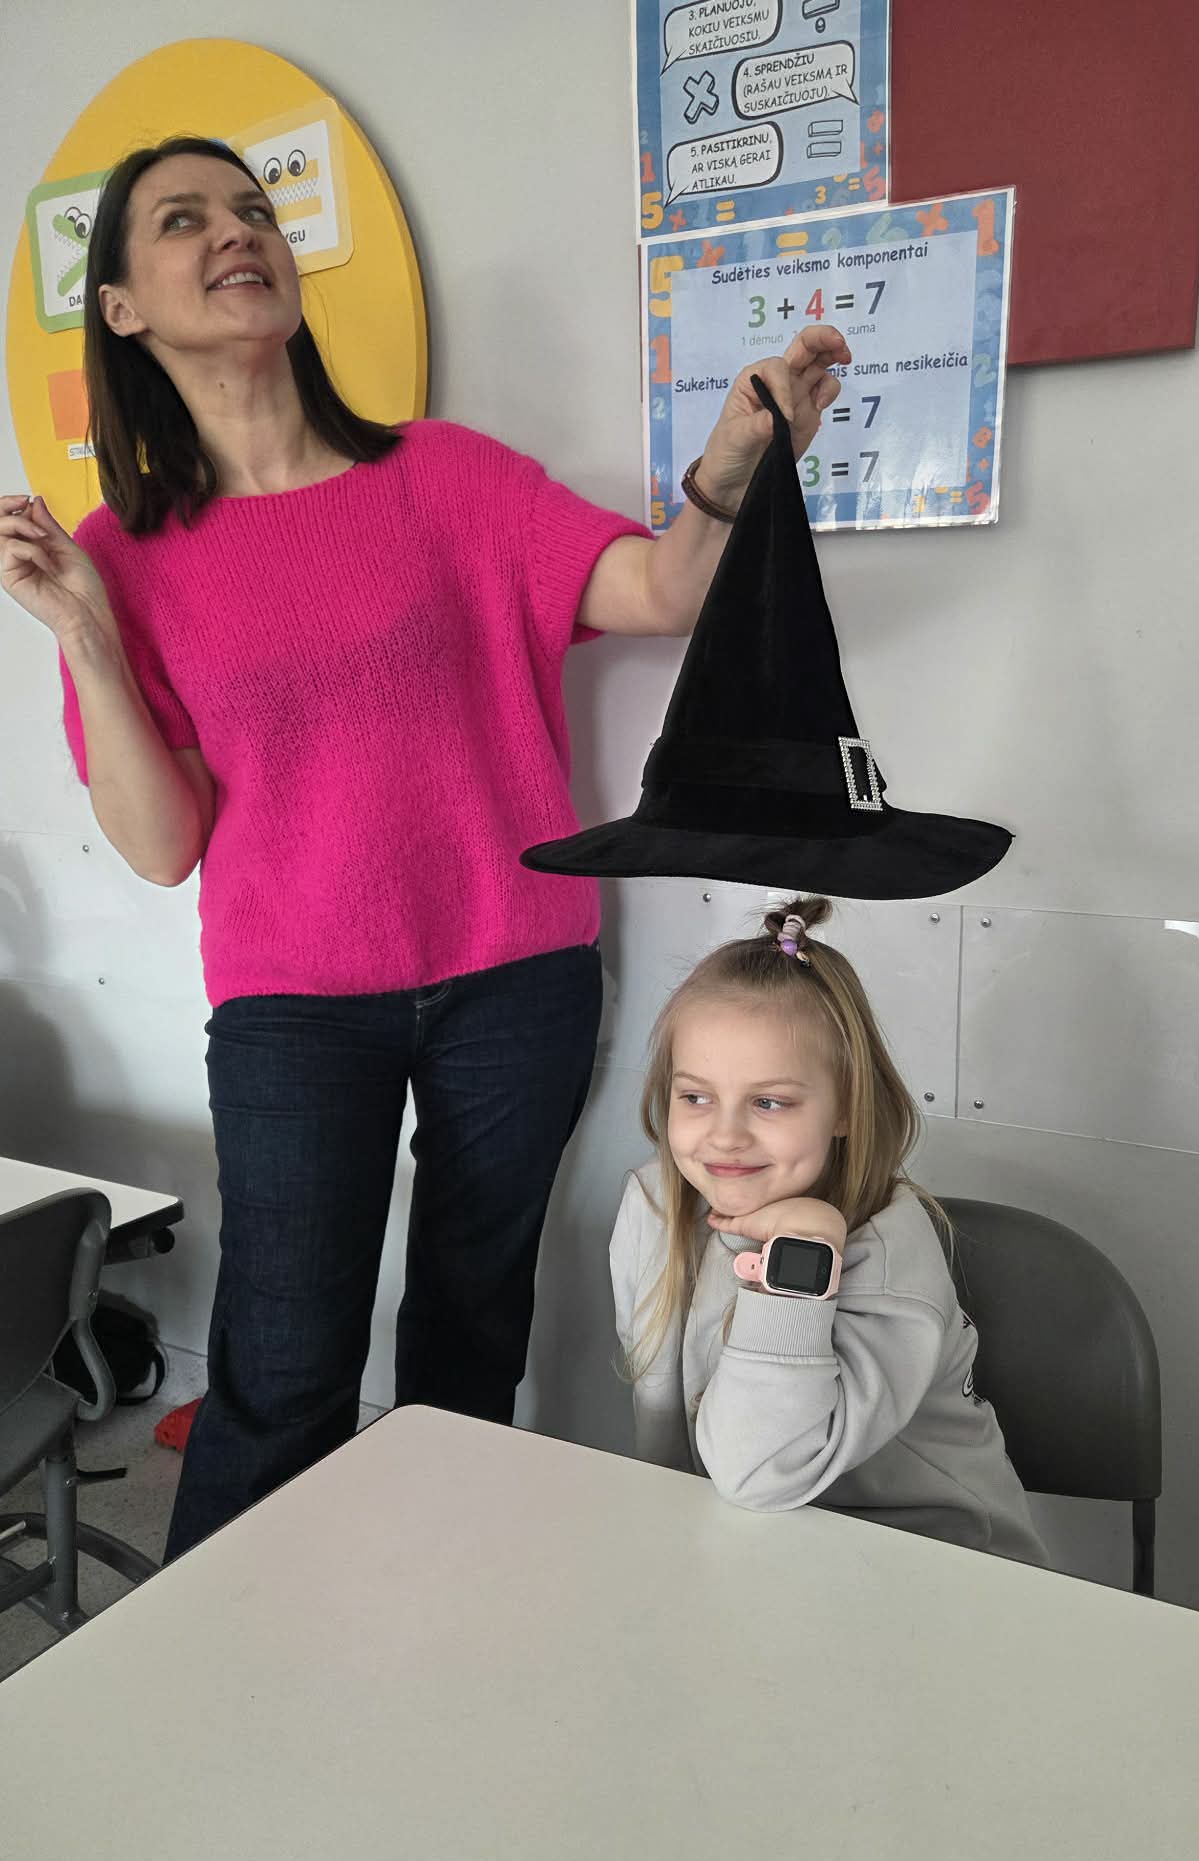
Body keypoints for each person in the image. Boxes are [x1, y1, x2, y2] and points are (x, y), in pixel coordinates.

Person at [0, 133, 849, 1559]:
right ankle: (239, 1651)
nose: (238, 231)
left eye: (255, 209)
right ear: (123, 308)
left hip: (515, 980)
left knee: (469, 1338)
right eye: (186, 219)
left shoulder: (443, 478)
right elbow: (162, 846)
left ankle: (445, 1612)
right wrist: (86, 632)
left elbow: (659, 591)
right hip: (292, 1005)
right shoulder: (126, 555)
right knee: (281, 1364)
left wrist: (730, 466)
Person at [610, 898, 1050, 1566]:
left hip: (937, 1570)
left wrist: (800, 1257)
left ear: (844, 1107)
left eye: (769, 1102)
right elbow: (666, 1436)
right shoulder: (655, 1207)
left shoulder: (891, 1258)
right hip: (756, 1557)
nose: (724, 1135)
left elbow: (759, 1470)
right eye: (695, 1096)